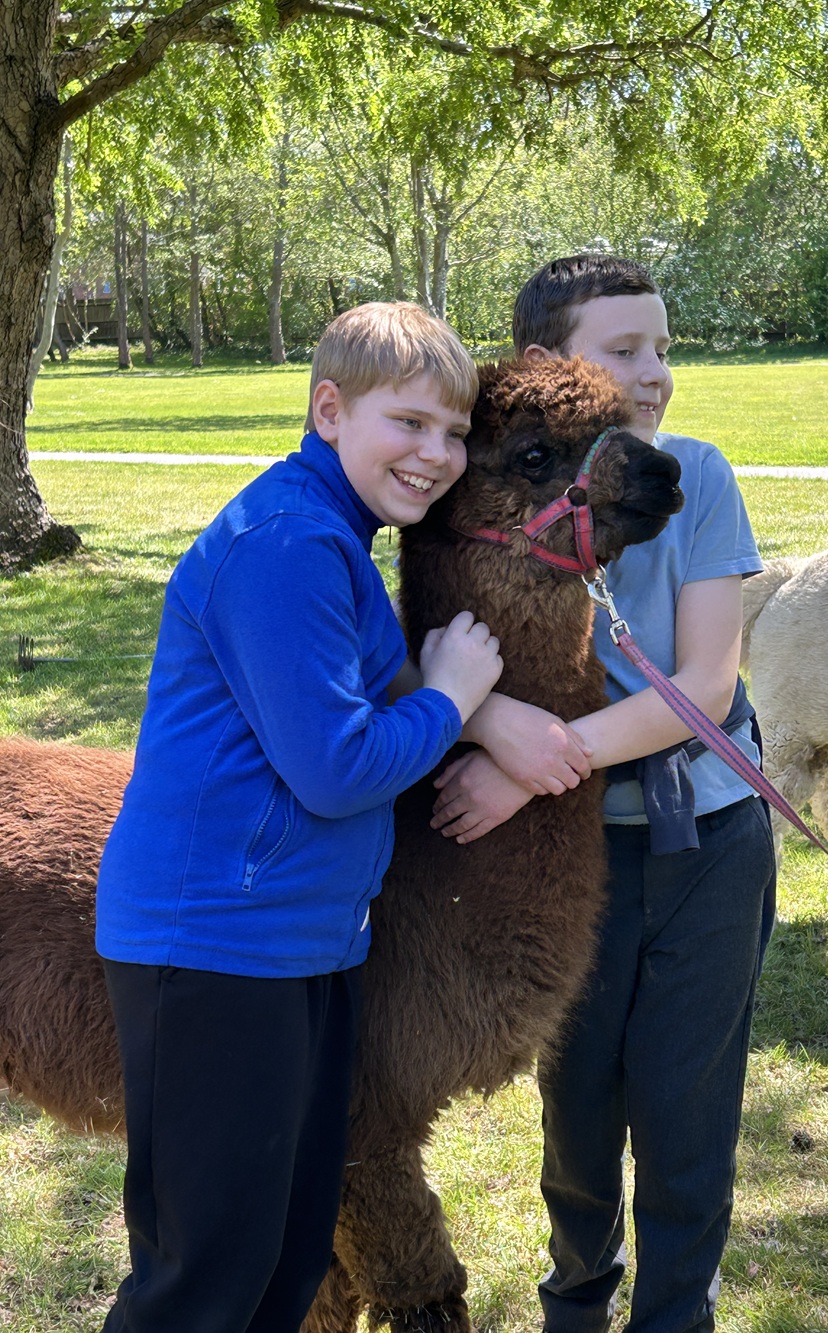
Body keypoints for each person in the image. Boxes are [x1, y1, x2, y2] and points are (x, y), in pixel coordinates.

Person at [95, 301, 506, 1333]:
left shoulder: (332, 535)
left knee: (284, 1256)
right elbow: (334, 767)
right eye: (408, 422)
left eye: (454, 433)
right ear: (330, 408)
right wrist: (451, 698)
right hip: (215, 950)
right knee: (203, 1280)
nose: (437, 454)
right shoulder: (285, 542)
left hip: (298, 946)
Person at [431, 255, 777, 1332]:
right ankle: (576, 1302)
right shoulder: (483, 485)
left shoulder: (697, 476)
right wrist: (486, 723)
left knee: (686, 1117)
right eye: (622, 350)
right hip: (569, 864)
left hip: (703, 844)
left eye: (662, 347)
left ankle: (677, 1315)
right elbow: (418, 639)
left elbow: (705, 688)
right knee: (577, 1115)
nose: (655, 371)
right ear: (549, 368)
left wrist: (538, 754)